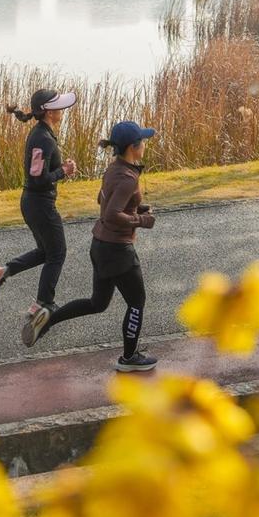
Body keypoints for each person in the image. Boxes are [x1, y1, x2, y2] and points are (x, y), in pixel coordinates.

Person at [30, 120, 158, 372]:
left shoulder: (114, 169)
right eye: (142, 141)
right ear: (133, 147)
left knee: (97, 303)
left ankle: (48, 319)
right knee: (137, 302)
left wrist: (134, 207)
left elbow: (103, 198)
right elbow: (111, 213)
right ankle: (129, 358)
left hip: (100, 246)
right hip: (118, 251)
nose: (144, 144)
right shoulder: (129, 178)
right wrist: (141, 220)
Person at [0, 89, 77, 345]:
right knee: (57, 253)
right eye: (59, 106)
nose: (63, 110)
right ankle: (42, 307)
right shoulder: (42, 139)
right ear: (48, 111)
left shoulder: (43, 134)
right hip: (40, 204)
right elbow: (38, 179)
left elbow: (39, 174)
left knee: (46, 252)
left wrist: (60, 170)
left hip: (34, 203)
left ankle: (2, 272)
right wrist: (64, 171)